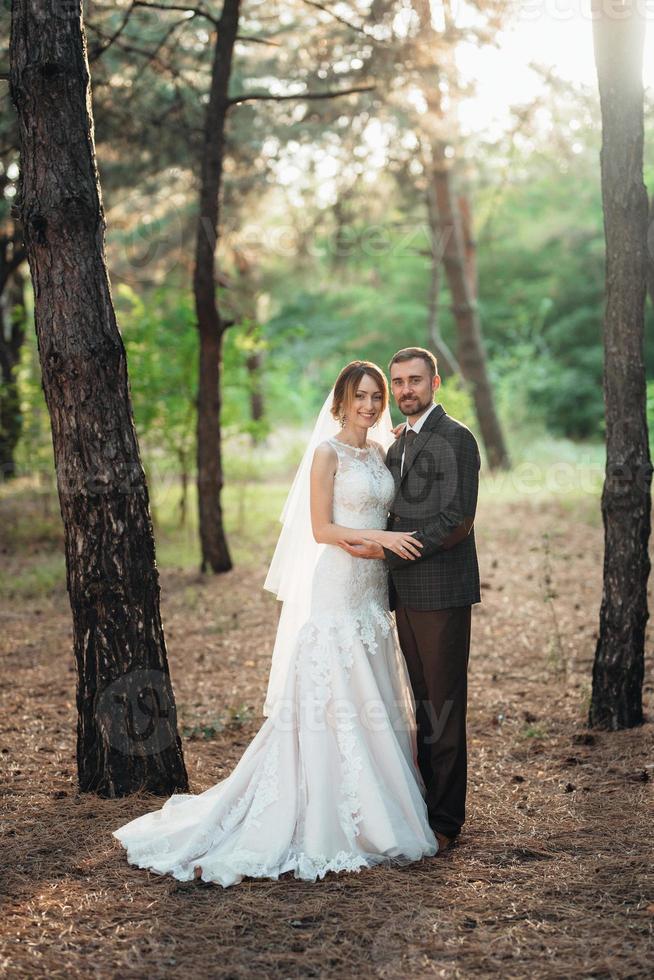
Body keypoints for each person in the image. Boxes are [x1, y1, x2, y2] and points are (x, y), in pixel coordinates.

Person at [112, 360, 438, 887]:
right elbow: (322, 527)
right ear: (340, 401)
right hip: (339, 583)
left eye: (378, 396)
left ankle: (378, 807)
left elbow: (388, 507)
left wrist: (381, 537)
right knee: (332, 691)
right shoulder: (325, 453)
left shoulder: (382, 452)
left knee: (371, 690)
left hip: (373, 589)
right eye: (361, 396)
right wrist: (381, 542)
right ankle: (320, 811)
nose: (371, 405)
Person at [342, 347, 481, 853]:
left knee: (443, 706)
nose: (405, 390)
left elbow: (456, 520)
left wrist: (387, 557)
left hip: (441, 592)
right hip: (403, 595)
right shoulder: (397, 444)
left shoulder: (456, 438)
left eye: (414, 381)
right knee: (420, 702)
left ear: (435, 383)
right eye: (397, 382)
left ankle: (446, 822)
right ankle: (423, 808)